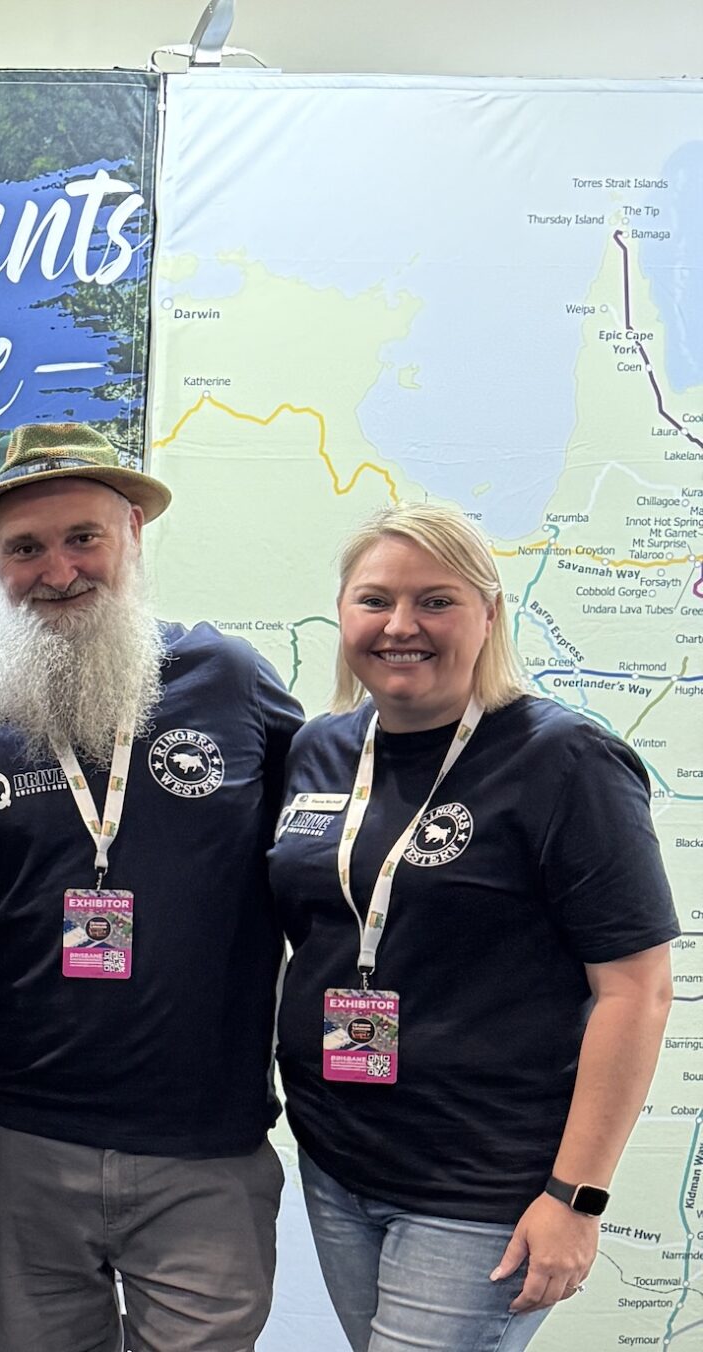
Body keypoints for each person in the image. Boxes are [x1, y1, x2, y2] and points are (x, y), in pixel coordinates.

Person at [0, 423, 303, 1351]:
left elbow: (337, 860)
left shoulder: (233, 681)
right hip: (12, 1142)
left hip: (206, 1154)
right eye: (25, 548)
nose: (58, 571)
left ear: (131, 532)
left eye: (83, 537)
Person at [271, 501, 673, 1349]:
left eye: (437, 601)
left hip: (481, 1183)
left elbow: (635, 990)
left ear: (490, 614)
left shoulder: (564, 761)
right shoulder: (319, 750)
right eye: (375, 600)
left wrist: (577, 1197)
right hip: (337, 1160)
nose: (401, 626)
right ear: (342, 612)